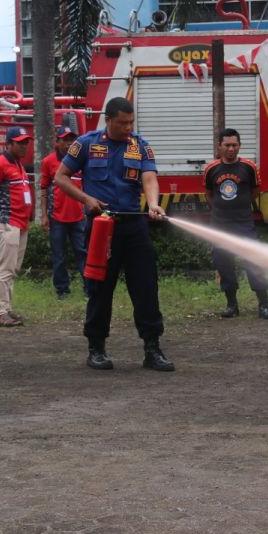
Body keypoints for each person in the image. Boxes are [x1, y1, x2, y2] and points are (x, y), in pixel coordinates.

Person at [54, 97, 173, 372]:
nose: (128, 128)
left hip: (134, 227)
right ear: (108, 120)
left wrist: (153, 204)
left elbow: (149, 179)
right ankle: (96, 348)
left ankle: (152, 349)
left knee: (146, 287)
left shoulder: (140, 145)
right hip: (101, 227)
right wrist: (86, 199)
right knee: (100, 289)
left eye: (131, 122)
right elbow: (61, 177)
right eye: (122, 123)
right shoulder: (85, 143)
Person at [203, 128, 268, 319]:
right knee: (223, 262)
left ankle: (264, 304)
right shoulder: (211, 169)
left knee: (253, 260)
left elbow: (256, 190)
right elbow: (209, 193)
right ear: (219, 146)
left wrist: (240, 206)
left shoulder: (249, 167)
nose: (231, 149)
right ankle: (232, 304)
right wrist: (220, 208)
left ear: (239, 146)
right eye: (227, 145)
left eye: (234, 145)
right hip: (220, 225)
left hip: (243, 223)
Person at [0, 126, 34, 327]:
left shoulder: (18, 165)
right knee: (5, 268)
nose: (24, 146)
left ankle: (6, 309)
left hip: (19, 224)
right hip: (6, 223)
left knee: (12, 268)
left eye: (26, 142)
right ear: (8, 144)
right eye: (19, 143)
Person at [41, 126, 87, 300]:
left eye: (71, 140)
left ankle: (88, 289)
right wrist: (44, 215)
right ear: (57, 142)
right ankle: (62, 290)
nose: (69, 143)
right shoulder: (48, 162)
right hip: (57, 218)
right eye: (65, 140)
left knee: (83, 253)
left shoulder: (81, 160)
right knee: (59, 256)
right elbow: (44, 189)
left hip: (79, 217)